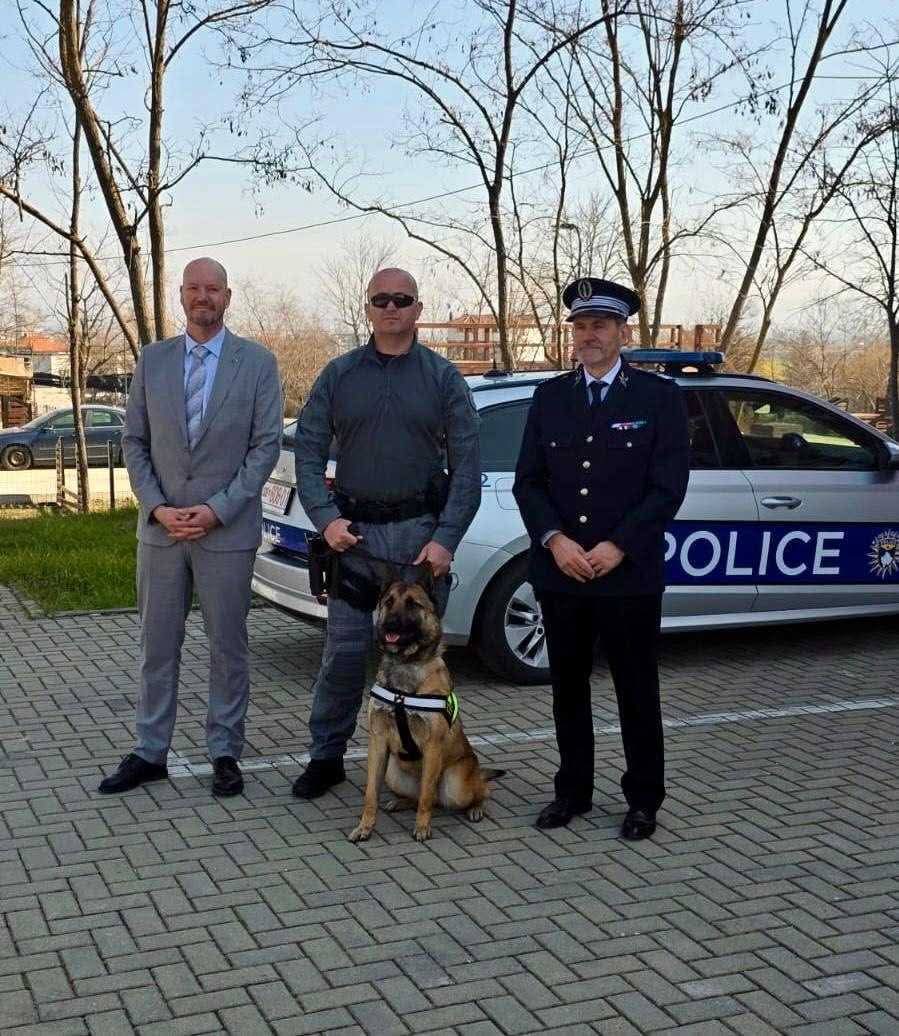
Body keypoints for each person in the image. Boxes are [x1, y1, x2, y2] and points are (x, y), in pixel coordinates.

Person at [291, 267, 481, 800]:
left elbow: (468, 469)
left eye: (402, 299)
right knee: (345, 655)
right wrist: (326, 518)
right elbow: (307, 451)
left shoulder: (444, 379)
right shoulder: (339, 375)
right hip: (355, 542)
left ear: (418, 308)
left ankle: (426, 762)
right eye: (381, 300)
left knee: (422, 665)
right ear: (368, 308)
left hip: (421, 542)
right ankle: (326, 757)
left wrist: (446, 539)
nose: (391, 308)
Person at [98, 257, 283, 798]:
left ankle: (225, 750)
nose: (204, 297)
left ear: (228, 296)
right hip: (161, 531)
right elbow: (133, 441)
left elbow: (265, 446)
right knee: (157, 646)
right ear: (181, 295)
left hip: (225, 531)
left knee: (228, 647)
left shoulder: (257, 363)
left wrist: (217, 509)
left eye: (213, 289)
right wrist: (157, 506)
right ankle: (149, 750)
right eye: (194, 288)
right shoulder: (152, 361)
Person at [513, 277, 689, 839]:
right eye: (581, 326)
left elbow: (668, 487)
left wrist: (620, 545)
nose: (589, 335)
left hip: (628, 574)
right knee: (568, 688)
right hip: (562, 572)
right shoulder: (550, 398)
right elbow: (528, 482)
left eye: (600, 325)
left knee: (636, 690)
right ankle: (573, 792)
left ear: (622, 333)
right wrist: (555, 540)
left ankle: (643, 800)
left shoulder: (658, 398)